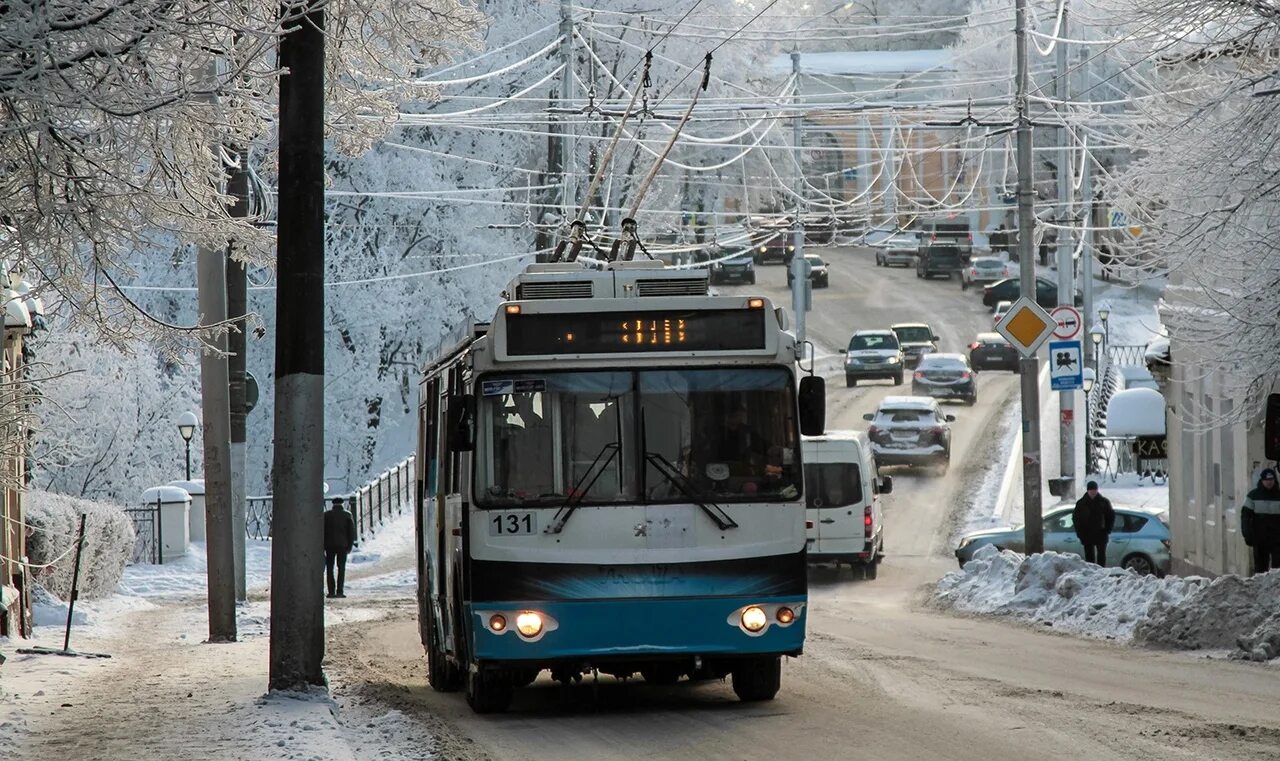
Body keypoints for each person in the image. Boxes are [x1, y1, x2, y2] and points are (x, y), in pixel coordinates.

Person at [1242, 468, 1280, 574]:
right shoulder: (1253, 496)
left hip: (1277, 539)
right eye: (1266, 480)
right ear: (1262, 481)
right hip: (1259, 538)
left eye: (1271, 480)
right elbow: (1245, 517)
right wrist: (1247, 535)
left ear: (1274, 480)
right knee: (1260, 569)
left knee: (1277, 569)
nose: (1269, 482)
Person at [1072, 480, 1115, 566]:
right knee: (1089, 557)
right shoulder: (1081, 503)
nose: (1093, 492)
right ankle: (1091, 575)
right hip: (1086, 534)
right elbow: (1076, 519)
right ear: (1087, 490)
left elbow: (1110, 517)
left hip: (1101, 533)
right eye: (1091, 490)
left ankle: (1101, 574)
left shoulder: (1104, 502)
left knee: (1101, 557)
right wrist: (1080, 533)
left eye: (1094, 490)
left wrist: (1107, 530)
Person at [324, 497, 356, 598]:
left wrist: (322, 545)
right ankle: (340, 591)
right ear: (342, 504)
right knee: (341, 568)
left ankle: (331, 591)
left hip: (329, 545)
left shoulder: (326, 515)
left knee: (330, 568)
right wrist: (350, 545)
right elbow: (351, 533)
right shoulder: (347, 515)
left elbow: (322, 531)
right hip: (343, 545)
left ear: (333, 504)